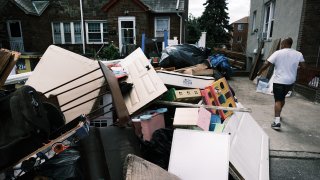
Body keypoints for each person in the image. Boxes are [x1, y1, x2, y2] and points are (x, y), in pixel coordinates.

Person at [257, 37, 306, 129]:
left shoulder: (278, 53)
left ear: (284, 44)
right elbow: (303, 66)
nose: (281, 46)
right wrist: (295, 66)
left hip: (279, 81)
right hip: (290, 81)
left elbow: (266, 63)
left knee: (278, 100)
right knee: (282, 98)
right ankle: (278, 115)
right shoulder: (298, 54)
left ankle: (277, 122)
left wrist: (259, 72)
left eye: (282, 44)